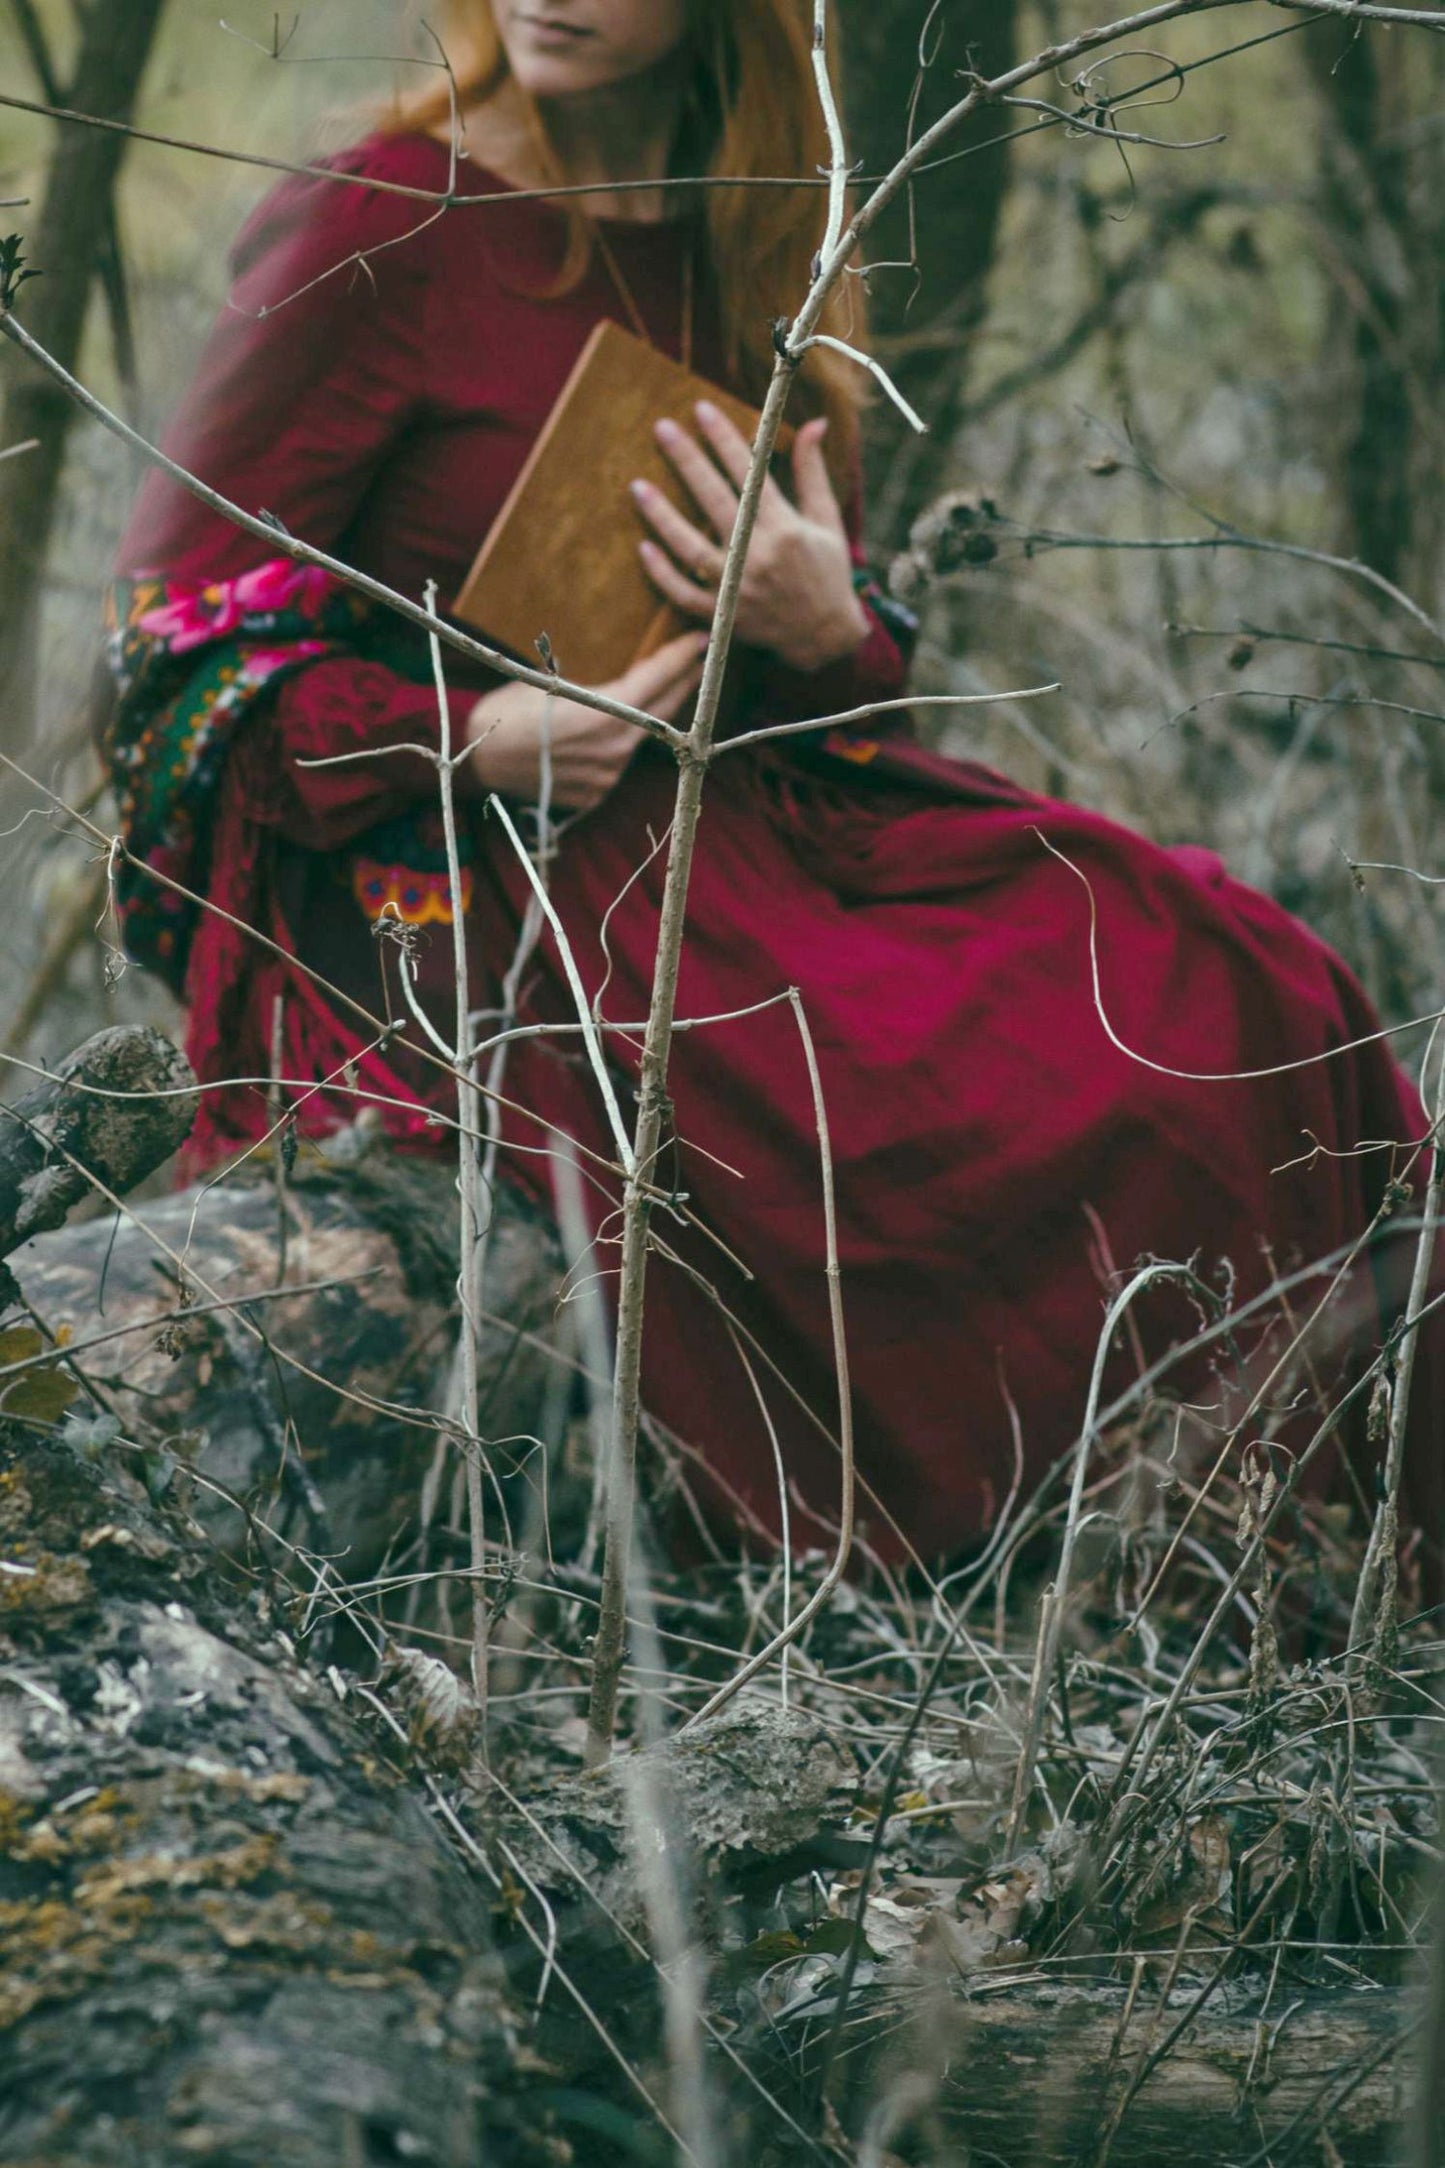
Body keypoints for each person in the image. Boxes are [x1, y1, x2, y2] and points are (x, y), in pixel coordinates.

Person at [108, 0, 1440, 1568]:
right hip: (467, 891)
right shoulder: (383, 219)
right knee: (871, 1120)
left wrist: (834, 629)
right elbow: (169, 669)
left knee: (1226, 976)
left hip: (745, 828)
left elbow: (817, 684)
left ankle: (1256, 1542)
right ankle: (991, 1545)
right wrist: (475, 740)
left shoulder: (758, 245)